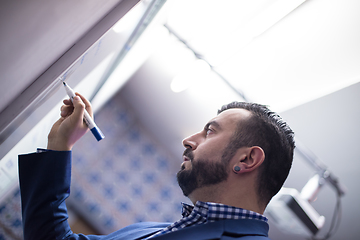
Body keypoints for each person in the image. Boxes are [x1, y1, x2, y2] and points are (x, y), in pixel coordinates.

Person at [18, 93, 295, 240]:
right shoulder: (148, 231)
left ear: (247, 160)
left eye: (210, 131)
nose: (189, 139)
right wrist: (58, 145)